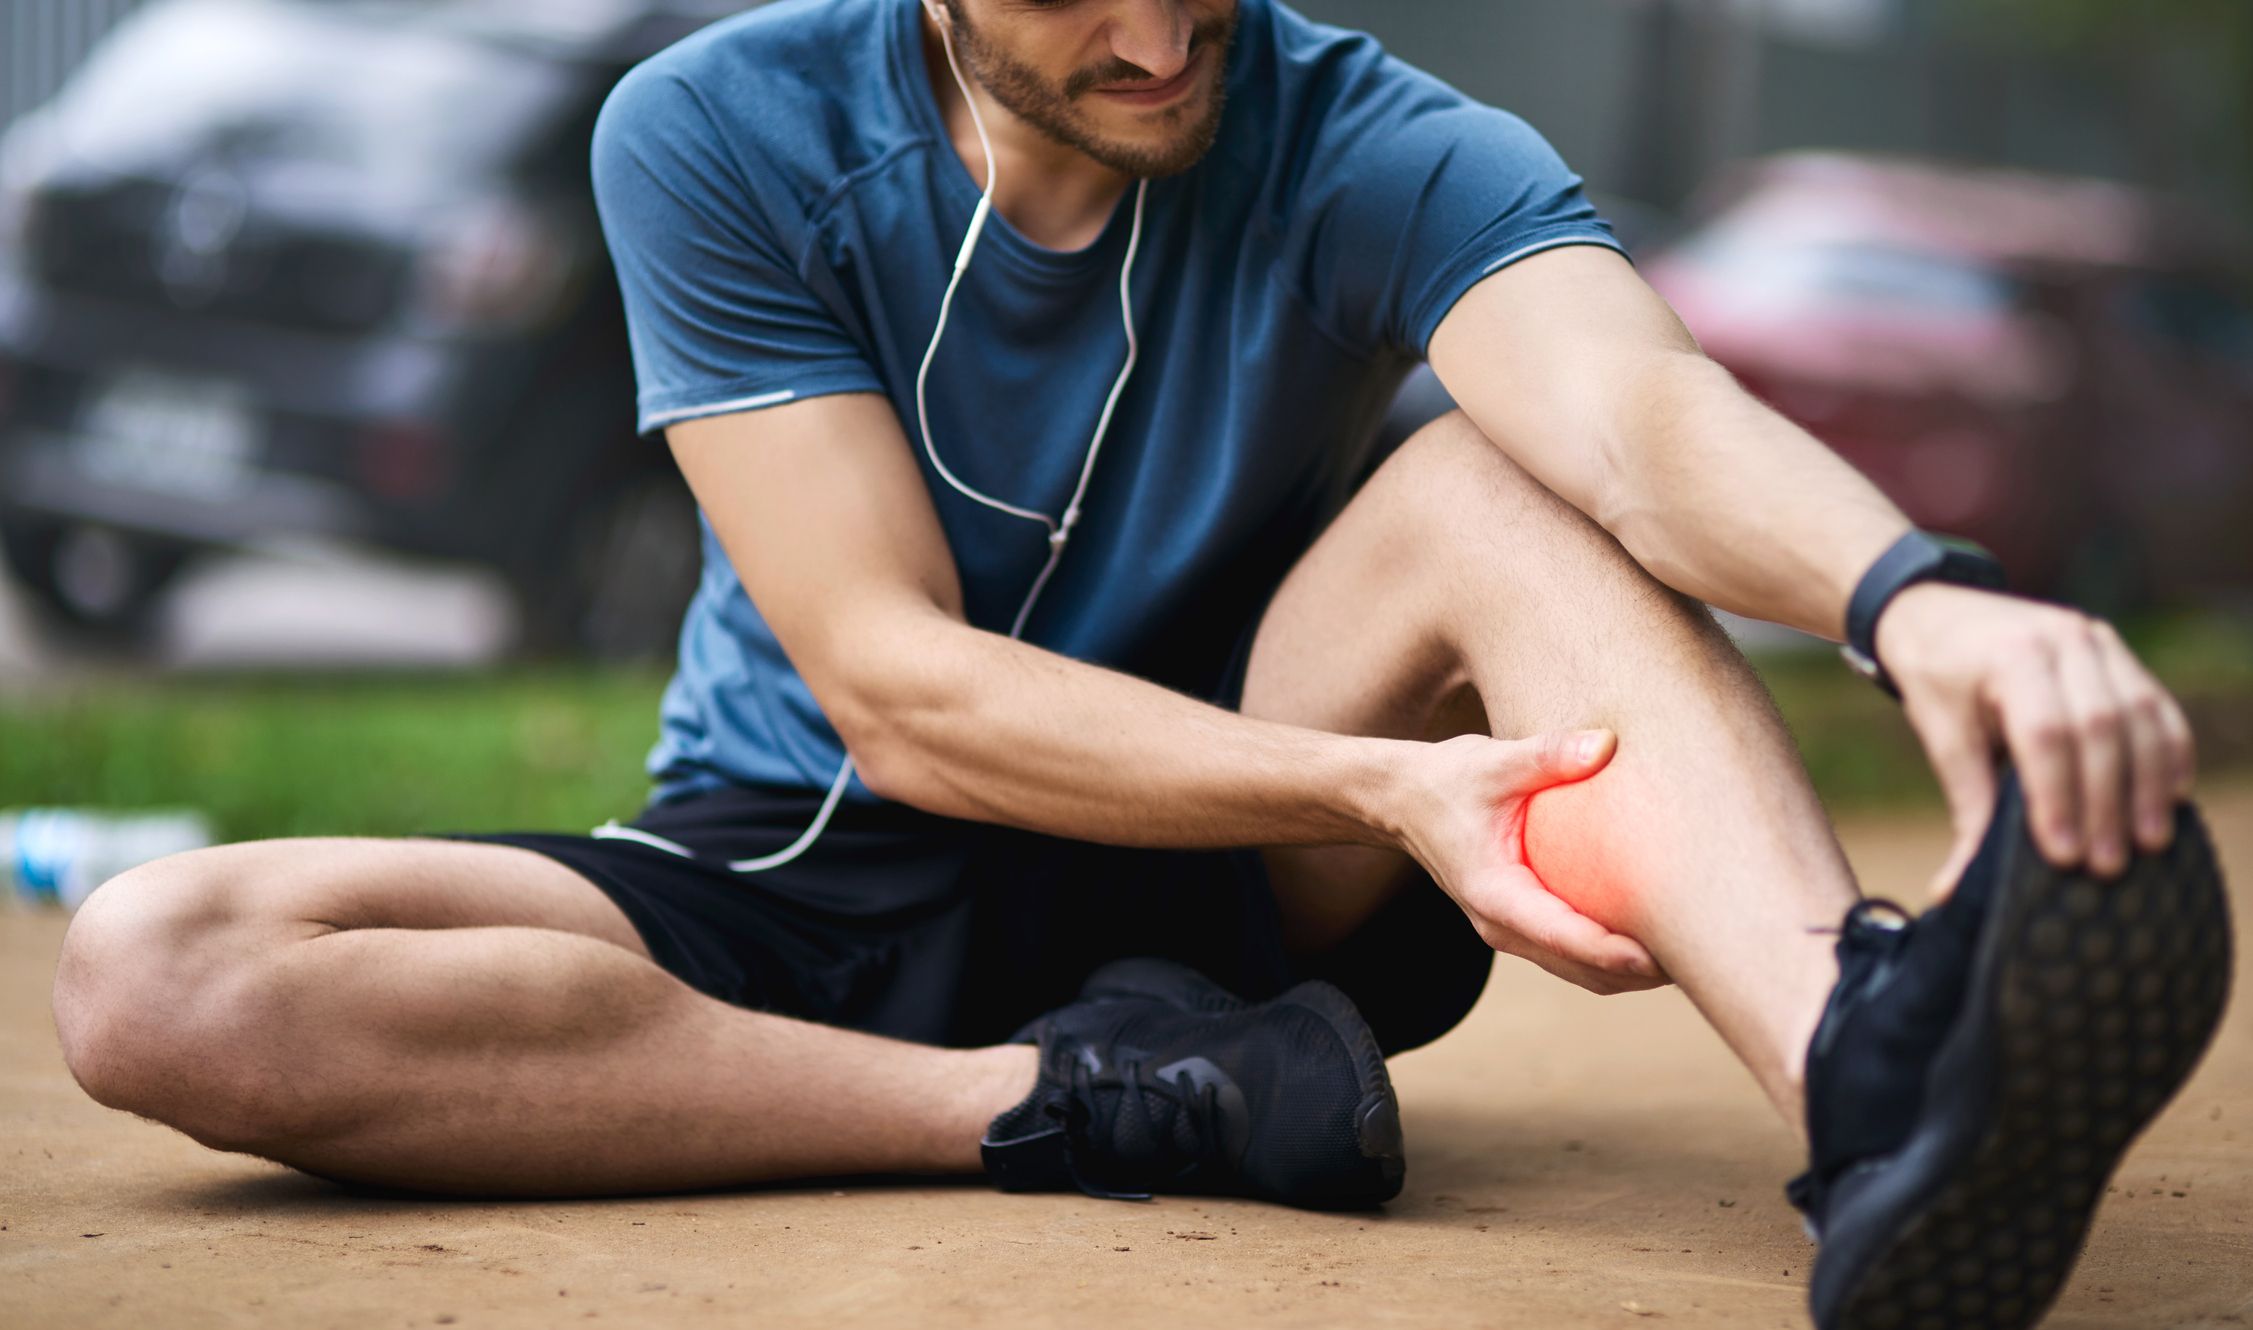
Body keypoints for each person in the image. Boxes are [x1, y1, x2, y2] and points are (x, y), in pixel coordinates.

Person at [50, 1, 2230, 1326]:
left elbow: (1631, 418)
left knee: (1484, 485)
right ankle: (1097, 1099)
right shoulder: (710, 133)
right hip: (803, 855)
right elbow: (892, 679)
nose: (1163, 35)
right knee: (161, 965)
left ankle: (1872, 1079)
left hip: (1232, 841)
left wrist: (1911, 589)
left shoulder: (1366, 137)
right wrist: (1394, 793)